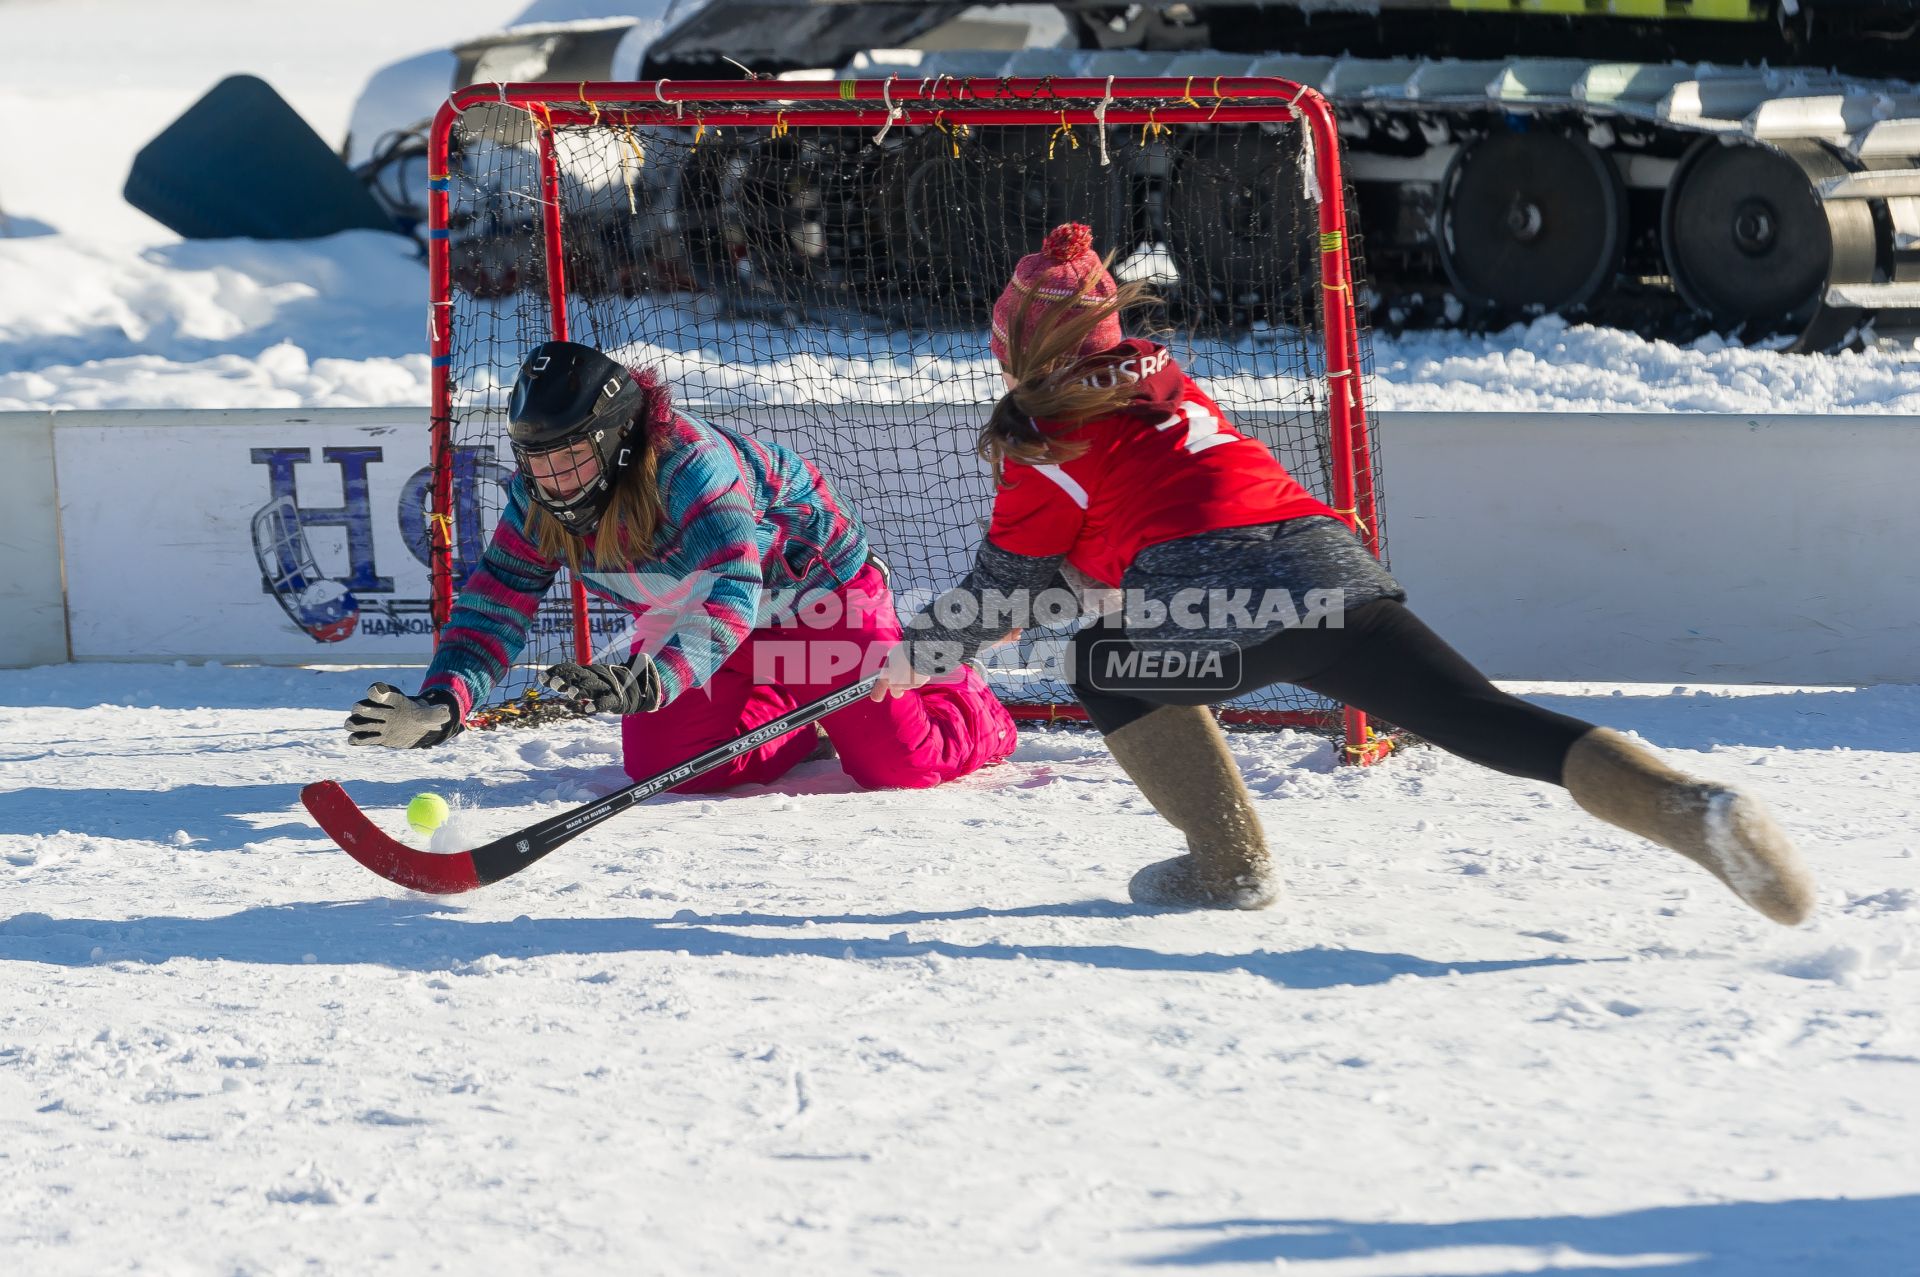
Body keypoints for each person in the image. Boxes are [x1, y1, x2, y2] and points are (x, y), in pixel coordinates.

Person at [874, 222, 1815, 925]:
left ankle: (1227, 864)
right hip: (1328, 569)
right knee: (1481, 718)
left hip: (1213, 603)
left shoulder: (1042, 435)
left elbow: (1009, 584)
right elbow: (1123, 525)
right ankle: (1693, 806)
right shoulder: (1169, 383)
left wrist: (921, 652)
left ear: (1020, 348)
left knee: (1102, 663)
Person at [345, 340, 1015, 793]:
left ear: (619, 443)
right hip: (707, 633)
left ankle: (969, 698)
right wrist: (444, 701)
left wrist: (649, 680)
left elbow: (732, 592)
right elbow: (499, 599)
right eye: (537, 462)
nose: (553, 483)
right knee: (670, 768)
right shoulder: (540, 496)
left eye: (570, 459)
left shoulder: (694, 469)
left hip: (819, 603)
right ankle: (803, 716)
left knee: (896, 764)